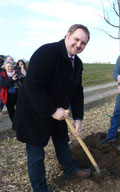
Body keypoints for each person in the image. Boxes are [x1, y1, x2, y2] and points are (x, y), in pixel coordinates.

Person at [12, 24, 91, 192]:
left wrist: (78, 118)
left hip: (59, 112)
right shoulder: (47, 53)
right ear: (68, 35)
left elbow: (77, 91)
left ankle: (70, 170)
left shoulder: (77, 62)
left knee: (62, 141)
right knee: (36, 155)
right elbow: (32, 86)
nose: (79, 45)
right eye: (77, 39)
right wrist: (52, 110)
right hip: (34, 112)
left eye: (83, 43)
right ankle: (40, 189)